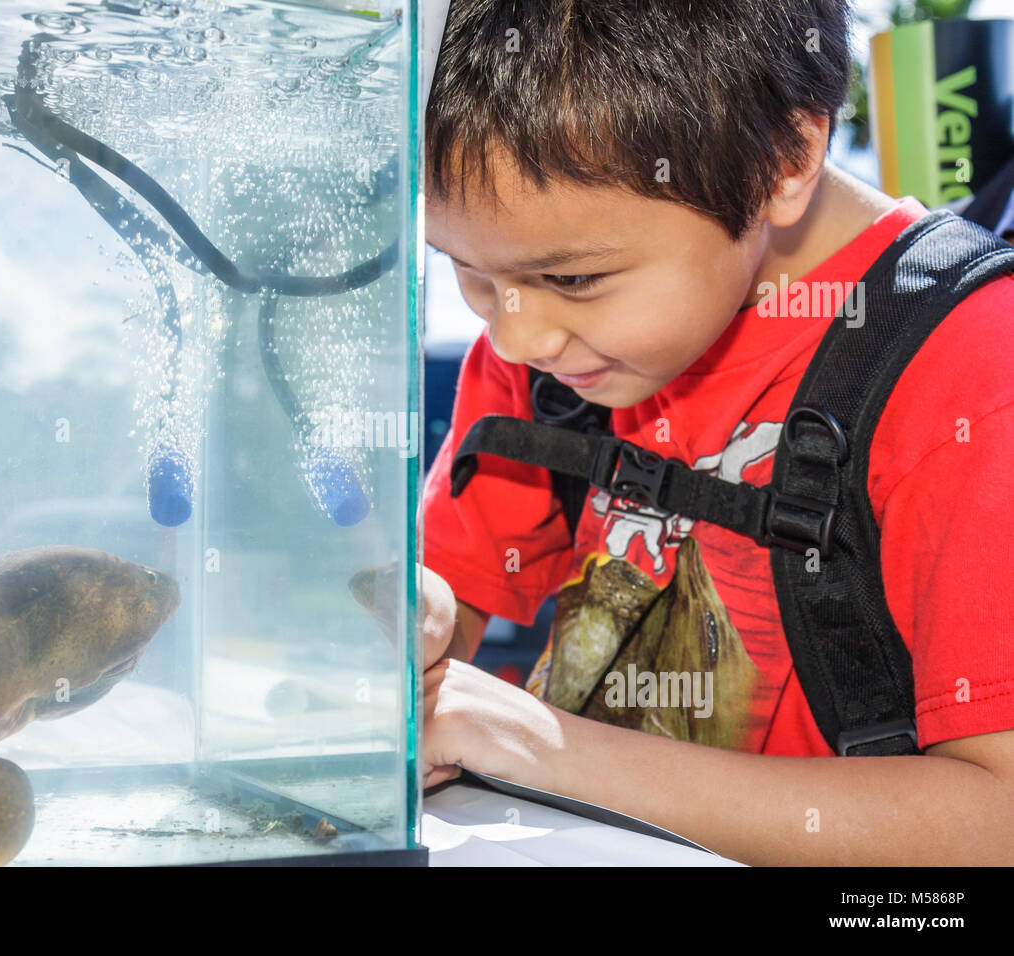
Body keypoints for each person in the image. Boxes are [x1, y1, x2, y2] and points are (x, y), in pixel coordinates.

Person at [419, 0, 1014, 865]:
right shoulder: (558, 340)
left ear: (786, 156)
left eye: (576, 276)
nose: (515, 338)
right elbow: (451, 588)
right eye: (466, 273)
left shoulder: (971, 371)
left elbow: (996, 824)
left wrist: (548, 750)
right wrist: (419, 622)